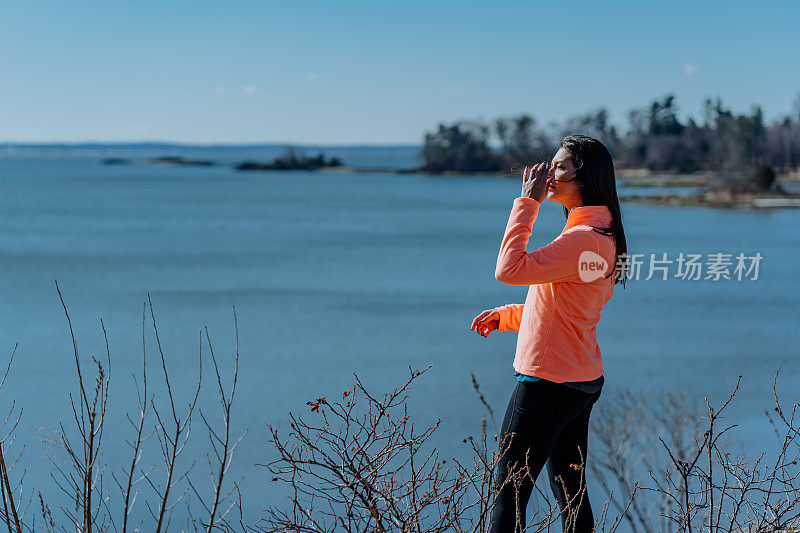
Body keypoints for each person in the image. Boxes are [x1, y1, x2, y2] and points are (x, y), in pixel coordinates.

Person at [470, 135, 628, 532]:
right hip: (580, 379)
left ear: (585, 176)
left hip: (549, 381)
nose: (550, 175)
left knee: (510, 488)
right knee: (569, 490)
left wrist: (527, 203)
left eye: (561, 167)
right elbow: (565, 310)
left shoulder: (582, 240)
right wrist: (506, 317)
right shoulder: (601, 235)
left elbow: (508, 270)